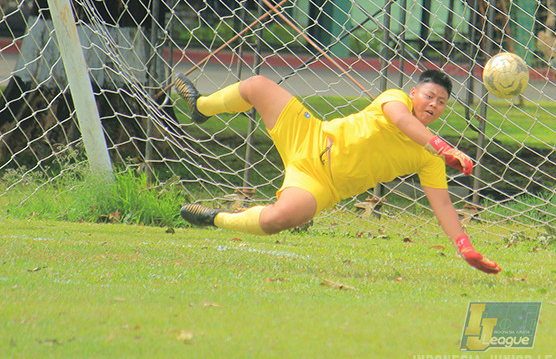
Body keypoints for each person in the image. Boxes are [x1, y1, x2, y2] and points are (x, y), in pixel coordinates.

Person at [173, 69, 501, 274]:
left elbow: (443, 205)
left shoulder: (428, 158)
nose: (434, 104)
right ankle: (201, 108)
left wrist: (464, 246)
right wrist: (445, 147)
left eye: (442, 102)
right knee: (257, 85)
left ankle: (213, 217)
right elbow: (402, 121)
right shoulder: (395, 98)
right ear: (414, 93)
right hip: (309, 134)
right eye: (429, 96)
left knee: (279, 219)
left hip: (320, 183)